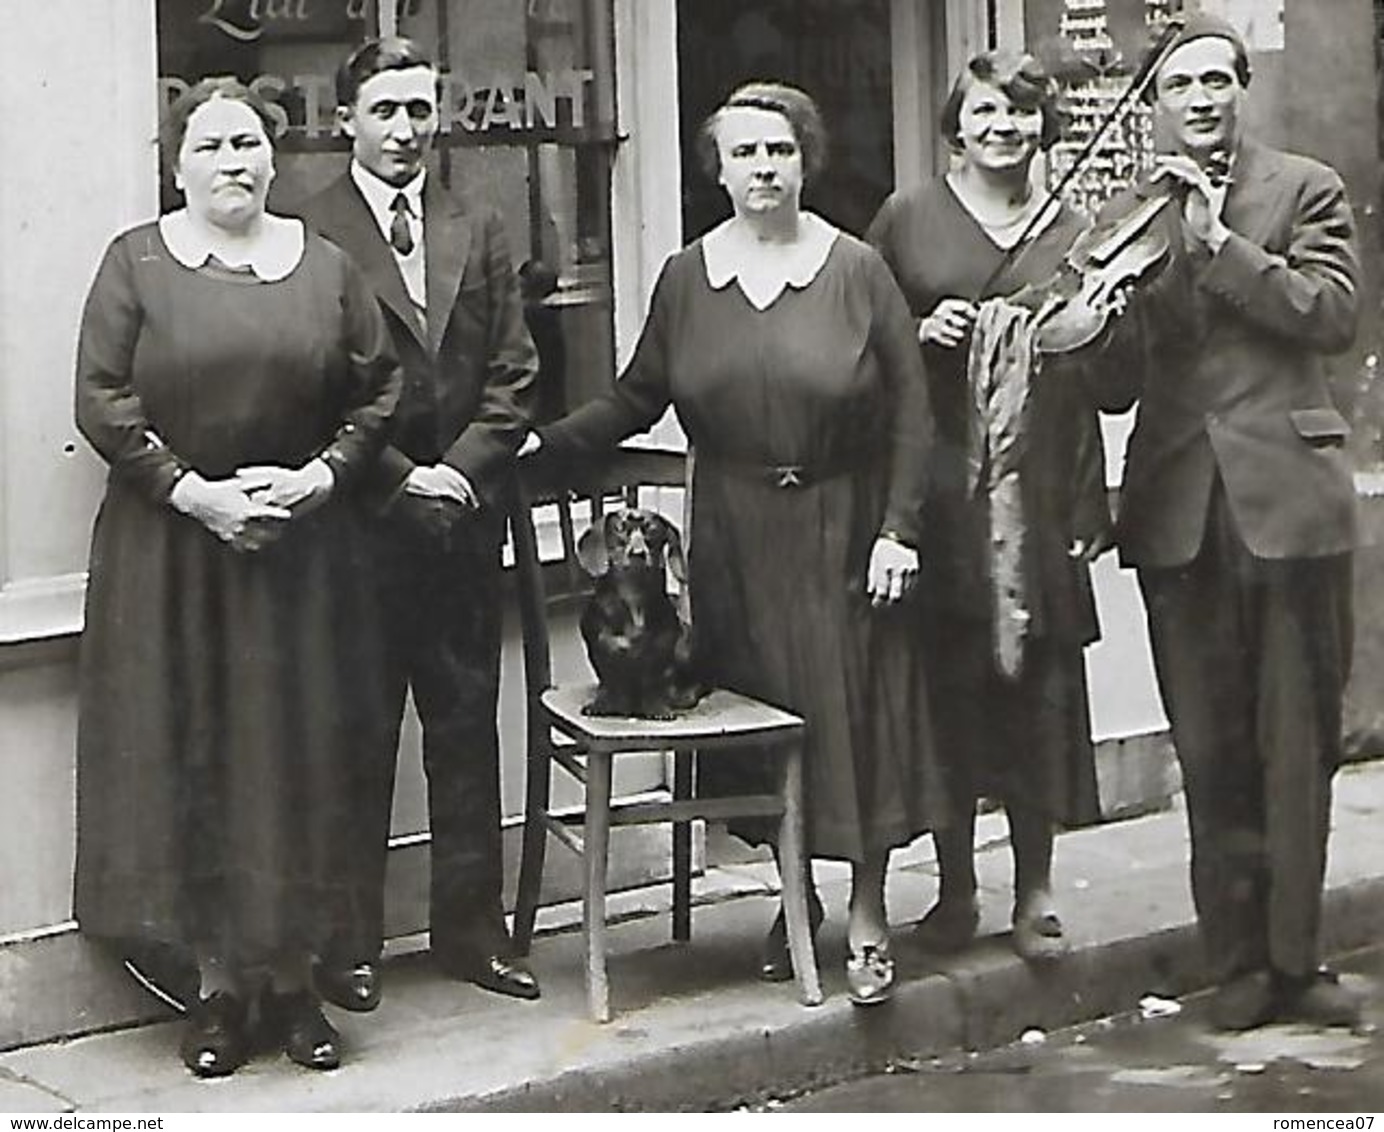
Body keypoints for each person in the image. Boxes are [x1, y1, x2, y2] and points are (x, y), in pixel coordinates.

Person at [525, 82, 942, 1006]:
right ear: (716, 168)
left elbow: (914, 415)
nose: (764, 168)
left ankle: (867, 911)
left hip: (841, 524)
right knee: (765, 717)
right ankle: (797, 909)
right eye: (745, 153)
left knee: (853, 716)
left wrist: (897, 532)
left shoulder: (857, 269)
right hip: (735, 539)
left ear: (806, 161)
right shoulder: (686, 277)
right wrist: (539, 444)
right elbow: (636, 397)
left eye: (780, 151)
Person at [72, 78, 400, 1077]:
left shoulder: (327, 266)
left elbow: (379, 387)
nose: (234, 162)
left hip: (302, 558)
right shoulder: (136, 262)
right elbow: (99, 396)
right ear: (177, 163)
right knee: (198, 752)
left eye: (250, 142)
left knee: (298, 757)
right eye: (211, 144)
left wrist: (318, 477)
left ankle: (298, 988)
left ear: (275, 155)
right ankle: (217, 990)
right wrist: (192, 493)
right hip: (173, 556)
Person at [1091, 15, 1362, 1030]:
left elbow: (1331, 316)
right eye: (1178, 86)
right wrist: (1099, 319)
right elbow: (1116, 386)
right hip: (1177, 513)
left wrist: (1219, 247)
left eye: (1216, 80)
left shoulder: (1303, 188)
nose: (1200, 99)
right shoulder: (1127, 215)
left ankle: (1300, 960)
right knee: (1208, 749)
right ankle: (1237, 963)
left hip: (1289, 505)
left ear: (1240, 89)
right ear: (1153, 105)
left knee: (1296, 744)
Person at [299, 37, 539, 1009]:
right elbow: (308, 386)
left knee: (463, 724)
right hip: (358, 525)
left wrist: (459, 477)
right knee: (356, 731)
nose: (404, 130)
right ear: (347, 118)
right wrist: (402, 480)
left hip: (460, 526)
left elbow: (515, 375)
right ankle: (347, 942)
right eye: (385, 110)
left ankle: (469, 931)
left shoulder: (475, 226)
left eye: (419, 110)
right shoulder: (307, 230)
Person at [866, 50, 1109, 963]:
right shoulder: (909, 218)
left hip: (1037, 487)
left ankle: (1036, 889)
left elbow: (1103, 383)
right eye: (985, 112)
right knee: (949, 685)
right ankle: (957, 888)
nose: (1003, 127)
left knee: (1036, 687)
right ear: (955, 125)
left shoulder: (1075, 228)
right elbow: (866, 342)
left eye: (1020, 113)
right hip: (942, 483)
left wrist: (1082, 331)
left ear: (1042, 126)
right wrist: (924, 332)